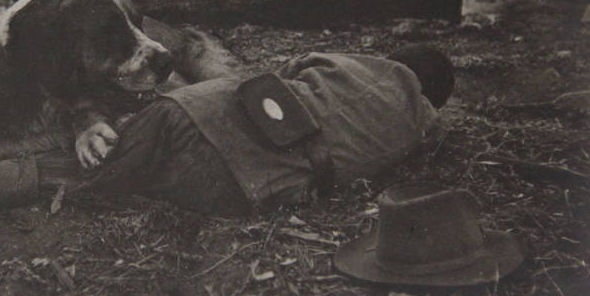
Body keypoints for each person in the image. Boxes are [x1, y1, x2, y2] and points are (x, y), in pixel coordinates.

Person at [79, 45, 455, 216]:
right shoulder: (426, 126)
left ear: (393, 61)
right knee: (132, 178)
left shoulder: (352, 63)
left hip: (195, 115)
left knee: (89, 163)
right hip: (244, 189)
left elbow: (274, 78)